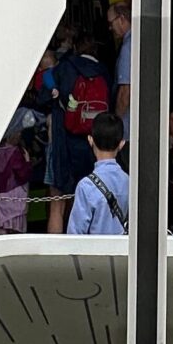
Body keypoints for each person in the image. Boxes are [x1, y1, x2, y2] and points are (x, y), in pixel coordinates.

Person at [42, 15, 111, 235]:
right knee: (88, 201)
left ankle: (56, 251)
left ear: (75, 47)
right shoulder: (104, 71)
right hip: (93, 144)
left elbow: (44, 96)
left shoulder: (65, 67)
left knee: (57, 203)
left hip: (64, 141)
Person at [66, 113, 129, 236]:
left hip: (94, 248)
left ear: (90, 140)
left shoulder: (85, 186)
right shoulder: (129, 181)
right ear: (121, 144)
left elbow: (75, 233)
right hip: (123, 247)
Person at [0, 120, 32, 235]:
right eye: (18, 132)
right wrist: (28, 162)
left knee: (1, 226)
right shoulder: (16, 152)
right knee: (14, 228)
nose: (20, 135)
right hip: (15, 195)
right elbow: (22, 175)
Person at [109, 1, 133, 138]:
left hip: (126, 128)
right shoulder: (142, 41)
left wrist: (115, 126)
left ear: (122, 19)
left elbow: (125, 91)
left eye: (111, 23)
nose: (110, 28)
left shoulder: (127, 47)